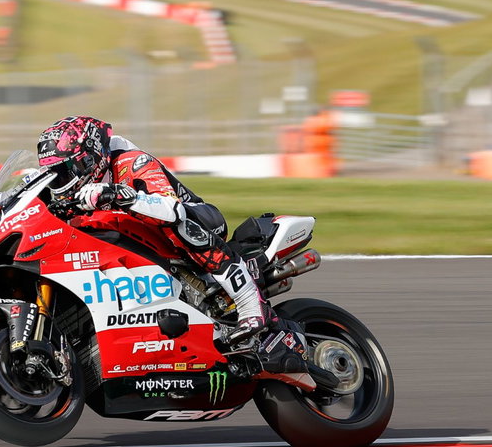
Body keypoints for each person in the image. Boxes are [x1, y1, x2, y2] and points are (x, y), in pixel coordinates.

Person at [36, 115, 306, 374]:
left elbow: (171, 209)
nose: (60, 181)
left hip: (197, 218)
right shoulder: (69, 186)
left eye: (64, 172)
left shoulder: (132, 162)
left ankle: (249, 302)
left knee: (179, 222)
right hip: (143, 241)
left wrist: (118, 194)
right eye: (53, 173)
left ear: (89, 158)